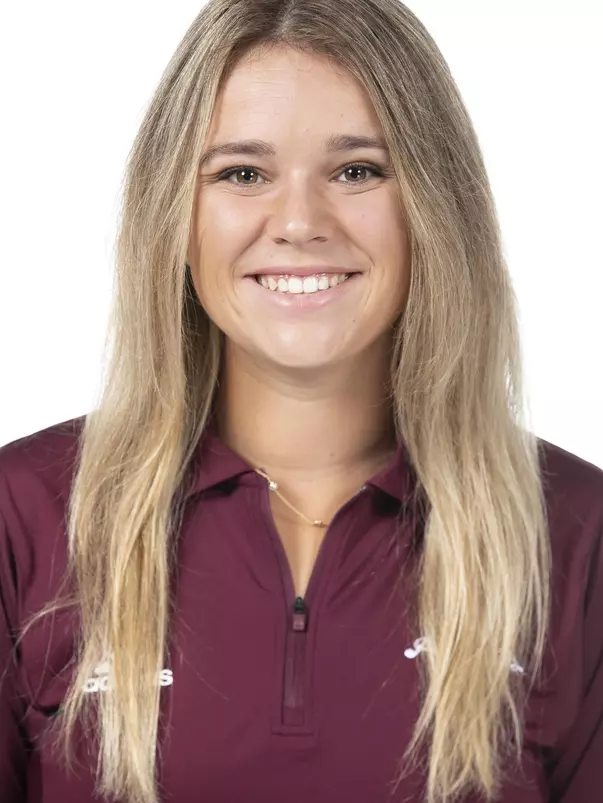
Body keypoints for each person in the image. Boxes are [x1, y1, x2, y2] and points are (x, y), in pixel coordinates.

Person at [1, 0, 602, 801]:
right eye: (241, 174)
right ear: (174, 214)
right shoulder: (24, 515)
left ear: (434, 205)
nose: (297, 221)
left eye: (357, 170)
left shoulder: (575, 532)